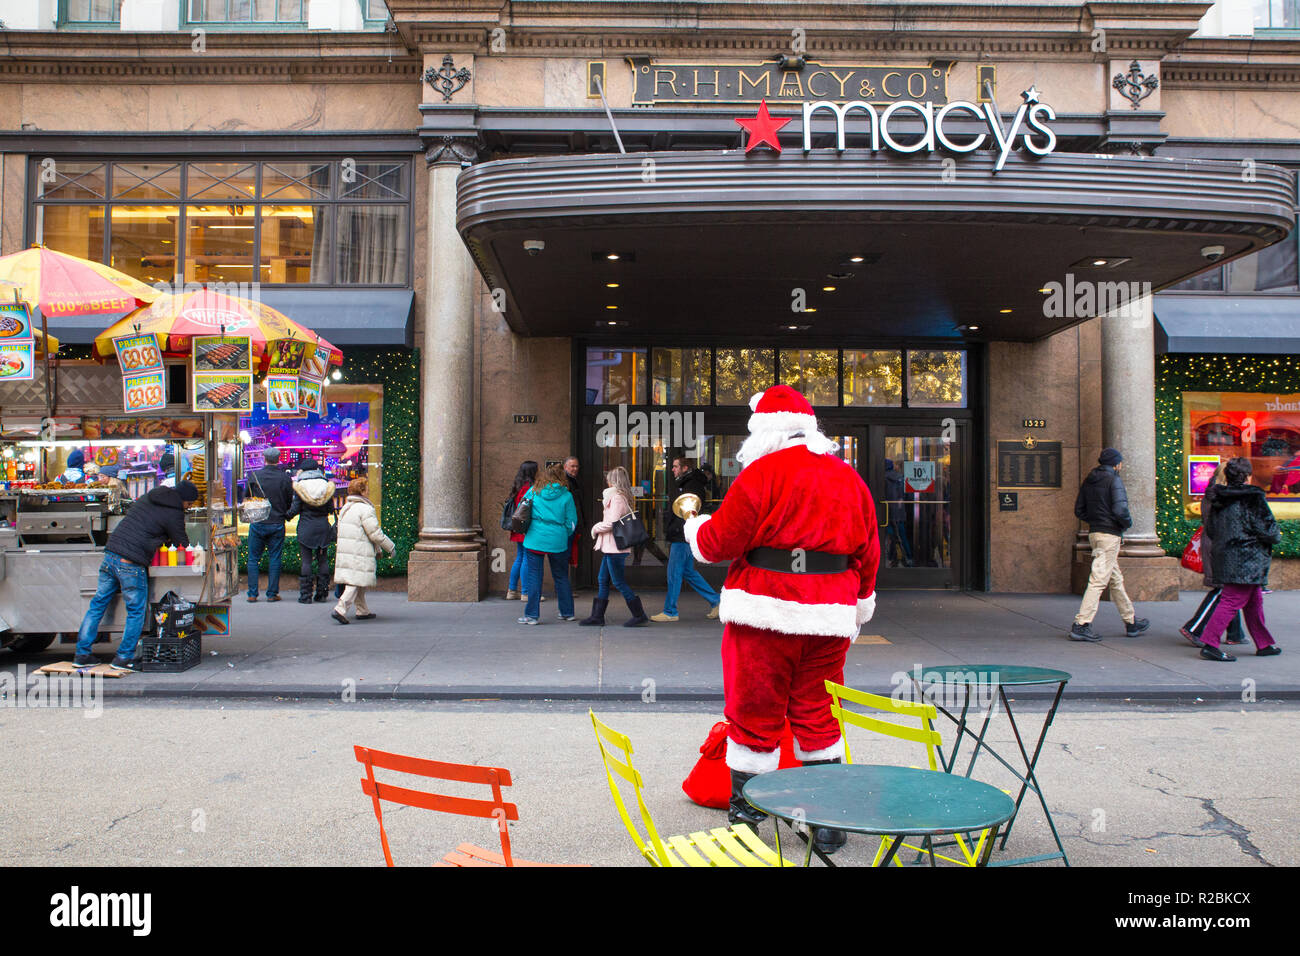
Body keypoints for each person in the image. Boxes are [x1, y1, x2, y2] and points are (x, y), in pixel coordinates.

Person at [683, 385, 880, 856]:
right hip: (830, 616)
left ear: (763, 433)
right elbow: (869, 550)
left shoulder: (760, 474)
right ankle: (826, 822)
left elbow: (717, 544)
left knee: (754, 711)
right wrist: (862, 601)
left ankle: (747, 817)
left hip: (763, 613)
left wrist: (694, 525)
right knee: (818, 713)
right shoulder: (849, 478)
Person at [72, 480, 198, 670]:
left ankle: (81, 655)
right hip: (131, 563)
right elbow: (182, 542)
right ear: (184, 500)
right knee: (136, 611)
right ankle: (124, 657)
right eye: (189, 504)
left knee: (97, 606)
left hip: (111, 554)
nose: (188, 508)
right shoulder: (175, 512)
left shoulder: (151, 496)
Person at [1195, 457, 1282, 662]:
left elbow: (1212, 529)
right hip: (1248, 558)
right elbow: (1267, 529)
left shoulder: (1218, 498)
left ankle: (1264, 643)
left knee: (1253, 601)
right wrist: (1276, 535)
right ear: (1248, 476)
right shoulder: (1253, 497)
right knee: (1231, 601)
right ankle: (1210, 643)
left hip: (1226, 555)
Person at [1069, 448, 1150, 642]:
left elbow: (1079, 509)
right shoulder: (1114, 480)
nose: (1121, 465)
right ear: (1116, 464)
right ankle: (1081, 624)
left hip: (1095, 532)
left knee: (1114, 579)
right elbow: (1120, 509)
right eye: (1120, 462)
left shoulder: (1090, 480)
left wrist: (1096, 520)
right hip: (1109, 535)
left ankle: (1130, 621)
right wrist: (1124, 524)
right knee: (1098, 580)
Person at [1180, 462, 1245, 647]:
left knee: (1230, 589)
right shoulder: (1220, 496)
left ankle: (1235, 633)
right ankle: (1194, 627)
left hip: (1216, 542)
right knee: (1223, 588)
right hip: (1219, 545)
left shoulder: (1214, 492)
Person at [651, 455, 720, 622]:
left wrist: (677, 530)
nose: (673, 469)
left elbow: (688, 513)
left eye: (675, 466)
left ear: (685, 468)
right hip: (684, 534)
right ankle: (717, 601)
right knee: (688, 572)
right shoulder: (689, 483)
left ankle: (670, 612)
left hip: (682, 535)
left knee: (674, 573)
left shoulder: (691, 485)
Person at [580, 465, 649, 627]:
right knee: (603, 579)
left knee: (618, 582)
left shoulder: (617, 498)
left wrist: (595, 528)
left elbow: (612, 523)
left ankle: (639, 615)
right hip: (612, 547)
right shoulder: (617, 496)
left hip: (616, 548)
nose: (607, 482)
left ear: (614, 481)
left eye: (609, 479)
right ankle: (597, 616)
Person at [518, 463, 577, 625]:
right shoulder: (567, 496)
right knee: (561, 577)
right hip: (558, 540)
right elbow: (572, 522)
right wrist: (563, 533)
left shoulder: (534, 491)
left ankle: (531, 616)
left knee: (534, 577)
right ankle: (567, 612)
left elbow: (521, 509)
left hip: (535, 539)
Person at [331, 477, 395, 624]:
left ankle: (362, 610)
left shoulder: (346, 508)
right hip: (359, 550)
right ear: (362, 491)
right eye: (367, 489)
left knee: (358, 579)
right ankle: (340, 609)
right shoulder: (365, 509)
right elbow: (374, 533)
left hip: (349, 550)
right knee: (354, 581)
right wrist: (389, 546)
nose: (369, 491)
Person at [246, 446, 294, 603]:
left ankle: (252, 593)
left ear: (264, 459)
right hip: (277, 522)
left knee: (253, 558)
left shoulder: (254, 475)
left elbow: (247, 497)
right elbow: (289, 500)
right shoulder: (285, 478)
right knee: (275, 558)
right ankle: (272, 593)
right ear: (279, 459)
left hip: (258, 520)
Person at [287, 458, 336, 605]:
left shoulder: (300, 487)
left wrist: (286, 516)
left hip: (306, 527)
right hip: (322, 526)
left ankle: (306, 595)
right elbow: (330, 509)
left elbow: (294, 509)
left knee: (306, 561)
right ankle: (322, 594)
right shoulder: (327, 486)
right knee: (323, 560)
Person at [504, 461, 540, 601]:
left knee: (520, 557)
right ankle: (525, 592)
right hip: (525, 527)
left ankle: (512, 590)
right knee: (525, 558)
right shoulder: (529, 488)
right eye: (537, 470)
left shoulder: (518, 486)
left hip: (518, 527)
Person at [883, 459, 914, 567]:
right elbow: (907, 496)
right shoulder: (901, 478)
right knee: (902, 536)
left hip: (886, 513)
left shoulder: (883, 478)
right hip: (900, 513)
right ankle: (908, 557)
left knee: (888, 537)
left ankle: (891, 558)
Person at [563, 455, 584, 581]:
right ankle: (564, 588)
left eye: (577, 466)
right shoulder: (566, 482)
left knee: (568, 555)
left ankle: (566, 587)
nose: (575, 469)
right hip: (568, 526)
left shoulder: (573, 480)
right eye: (572, 466)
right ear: (565, 467)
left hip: (572, 524)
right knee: (565, 556)